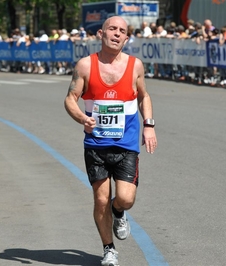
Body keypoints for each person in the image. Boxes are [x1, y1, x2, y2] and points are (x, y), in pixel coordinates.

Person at [64, 16, 157, 266]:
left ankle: (119, 212)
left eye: (122, 31)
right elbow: (70, 98)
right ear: (101, 34)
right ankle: (109, 249)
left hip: (126, 144)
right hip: (96, 145)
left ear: (126, 38)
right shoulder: (85, 66)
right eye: (112, 29)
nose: (117, 34)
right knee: (101, 199)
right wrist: (82, 118)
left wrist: (148, 125)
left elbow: (144, 97)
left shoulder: (135, 65)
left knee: (125, 199)